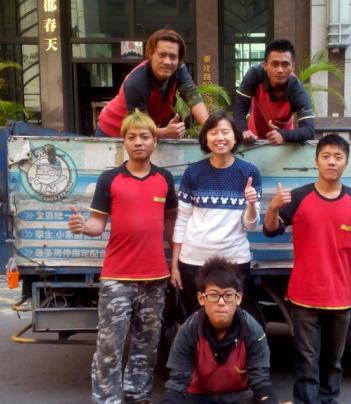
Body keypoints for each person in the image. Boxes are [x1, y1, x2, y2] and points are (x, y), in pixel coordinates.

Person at [68, 110, 178, 404]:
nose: (138, 142)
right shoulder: (110, 179)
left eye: (144, 137)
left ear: (154, 141)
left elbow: (171, 224)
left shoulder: (165, 179)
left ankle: (137, 395)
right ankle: (107, 398)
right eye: (132, 137)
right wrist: (83, 227)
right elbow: (97, 224)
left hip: (155, 277)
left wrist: (177, 262)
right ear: (124, 142)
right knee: (109, 345)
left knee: (147, 344)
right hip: (117, 277)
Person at [263, 134, 351, 404]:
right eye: (326, 156)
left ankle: (328, 401)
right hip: (305, 296)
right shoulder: (299, 197)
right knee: (306, 360)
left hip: (342, 297)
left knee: (333, 361)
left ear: (346, 162)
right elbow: (271, 230)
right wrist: (273, 208)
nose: (331, 162)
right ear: (316, 161)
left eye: (338, 157)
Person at [170, 111, 261, 319]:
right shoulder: (193, 172)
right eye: (213, 132)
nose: (220, 137)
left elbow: (251, 225)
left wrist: (251, 204)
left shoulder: (249, 172)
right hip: (193, 261)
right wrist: (174, 265)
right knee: (195, 320)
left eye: (225, 132)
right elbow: (182, 220)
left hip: (234, 261)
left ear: (235, 137)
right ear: (205, 139)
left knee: (232, 320)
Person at [161, 256, 280, 404]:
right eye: (214, 295)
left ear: (239, 298)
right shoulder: (189, 329)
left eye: (228, 295)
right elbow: (177, 384)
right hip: (197, 398)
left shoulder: (252, 329)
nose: (221, 302)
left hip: (239, 397)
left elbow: (260, 382)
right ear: (201, 298)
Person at [96, 28, 209, 138]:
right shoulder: (136, 82)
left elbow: (192, 95)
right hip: (112, 131)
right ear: (150, 55)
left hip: (147, 132)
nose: (168, 62)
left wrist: (210, 129)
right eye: (162, 55)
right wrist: (165, 133)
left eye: (173, 57)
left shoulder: (179, 69)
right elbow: (138, 127)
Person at [233, 39, 315, 145]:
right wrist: (243, 130)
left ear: (293, 67)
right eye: (275, 64)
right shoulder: (255, 75)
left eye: (285, 65)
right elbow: (239, 109)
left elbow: (309, 130)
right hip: (253, 137)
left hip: (283, 141)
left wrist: (284, 135)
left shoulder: (297, 90)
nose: (280, 70)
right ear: (265, 65)